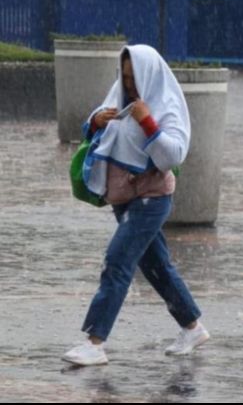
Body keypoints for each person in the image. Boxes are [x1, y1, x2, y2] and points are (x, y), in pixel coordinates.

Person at [63, 45, 209, 366]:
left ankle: (95, 341)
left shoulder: (165, 105)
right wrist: (96, 120)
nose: (129, 85)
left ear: (148, 76)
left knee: (117, 262)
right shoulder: (120, 95)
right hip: (124, 197)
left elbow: (173, 155)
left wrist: (148, 124)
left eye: (134, 78)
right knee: (156, 266)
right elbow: (98, 126)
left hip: (152, 198)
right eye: (124, 77)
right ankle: (192, 327)